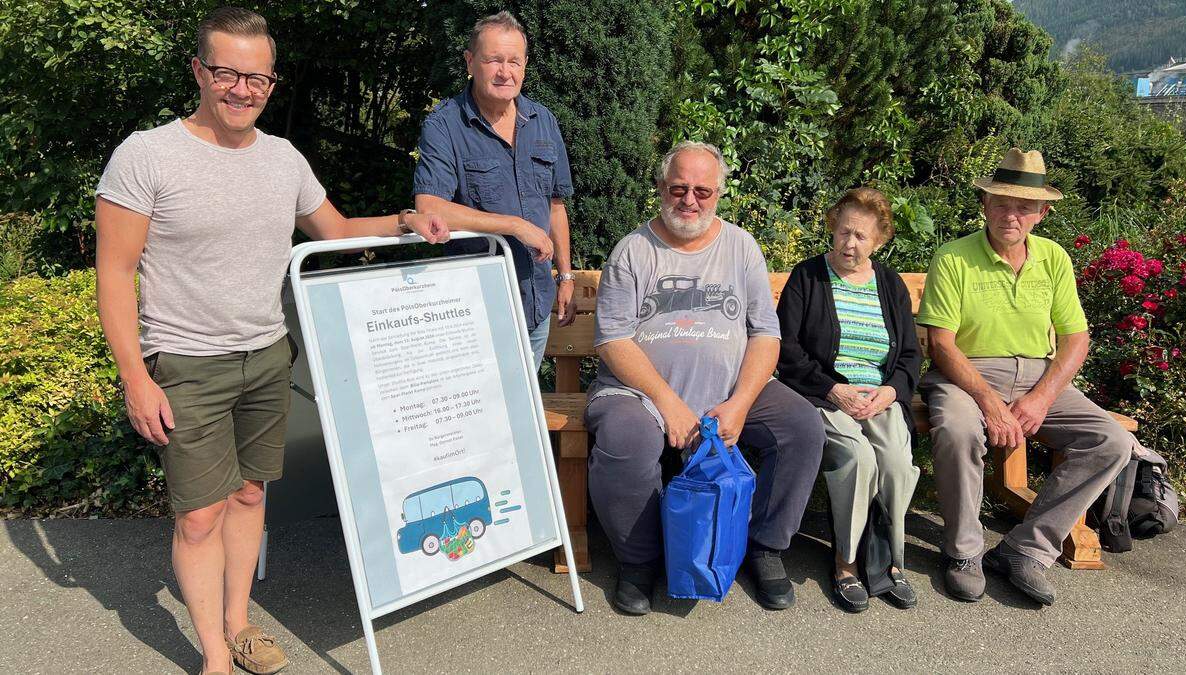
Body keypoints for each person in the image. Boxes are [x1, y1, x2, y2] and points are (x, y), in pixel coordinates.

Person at [94, 8, 448, 674]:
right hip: (186, 363)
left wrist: (405, 218)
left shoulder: (283, 159)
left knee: (251, 495)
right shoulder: (146, 155)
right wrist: (135, 378)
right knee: (198, 517)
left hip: (266, 355)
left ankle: (238, 624)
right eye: (227, 72)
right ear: (199, 71)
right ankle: (213, 658)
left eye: (257, 77)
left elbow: (334, 228)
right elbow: (114, 273)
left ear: (272, 83)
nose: (242, 89)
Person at [585, 141, 825, 615]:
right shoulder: (633, 251)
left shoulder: (741, 247)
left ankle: (764, 546)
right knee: (624, 438)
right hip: (638, 392)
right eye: (678, 188)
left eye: (702, 190)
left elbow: (765, 334)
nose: (689, 200)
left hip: (731, 386)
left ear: (718, 193)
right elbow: (613, 340)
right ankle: (638, 559)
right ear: (660, 188)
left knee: (801, 427)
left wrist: (739, 402)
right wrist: (669, 402)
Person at [918, 148, 1138, 607]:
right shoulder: (953, 257)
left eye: (1023, 206)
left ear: (1042, 213)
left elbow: (1076, 339)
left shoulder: (1055, 259)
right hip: (966, 375)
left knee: (1111, 441)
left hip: (1039, 377)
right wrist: (990, 402)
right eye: (1001, 202)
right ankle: (964, 552)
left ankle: (1026, 550)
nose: (1010, 215)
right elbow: (941, 344)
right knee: (958, 430)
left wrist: (1040, 399)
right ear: (984, 205)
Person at [776, 188, 922, 613]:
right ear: (832, 229)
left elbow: (910, 354)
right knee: (858, 458)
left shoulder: (890, 285)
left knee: (895, 460)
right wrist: (832, 389)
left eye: (861, 236)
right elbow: (787, 348)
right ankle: (846, 562)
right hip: (823, 395)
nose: (849, 244)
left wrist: (890, 392)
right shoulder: (808, 277)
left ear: (878, 241)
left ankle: (891, 561)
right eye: (843, 232)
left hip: (878, 397)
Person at [413, 10, 576, 365]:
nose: (506, 71)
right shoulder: (444, 126)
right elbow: (430, 207)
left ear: (525, 65)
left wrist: (564, 275)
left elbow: (555, 206)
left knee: (522, 411)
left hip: (534, 301)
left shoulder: (543, 121)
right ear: (470, 62)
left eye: (514, 61)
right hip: (476, 310)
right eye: (494, 60)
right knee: (480, 415)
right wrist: (515, 226)